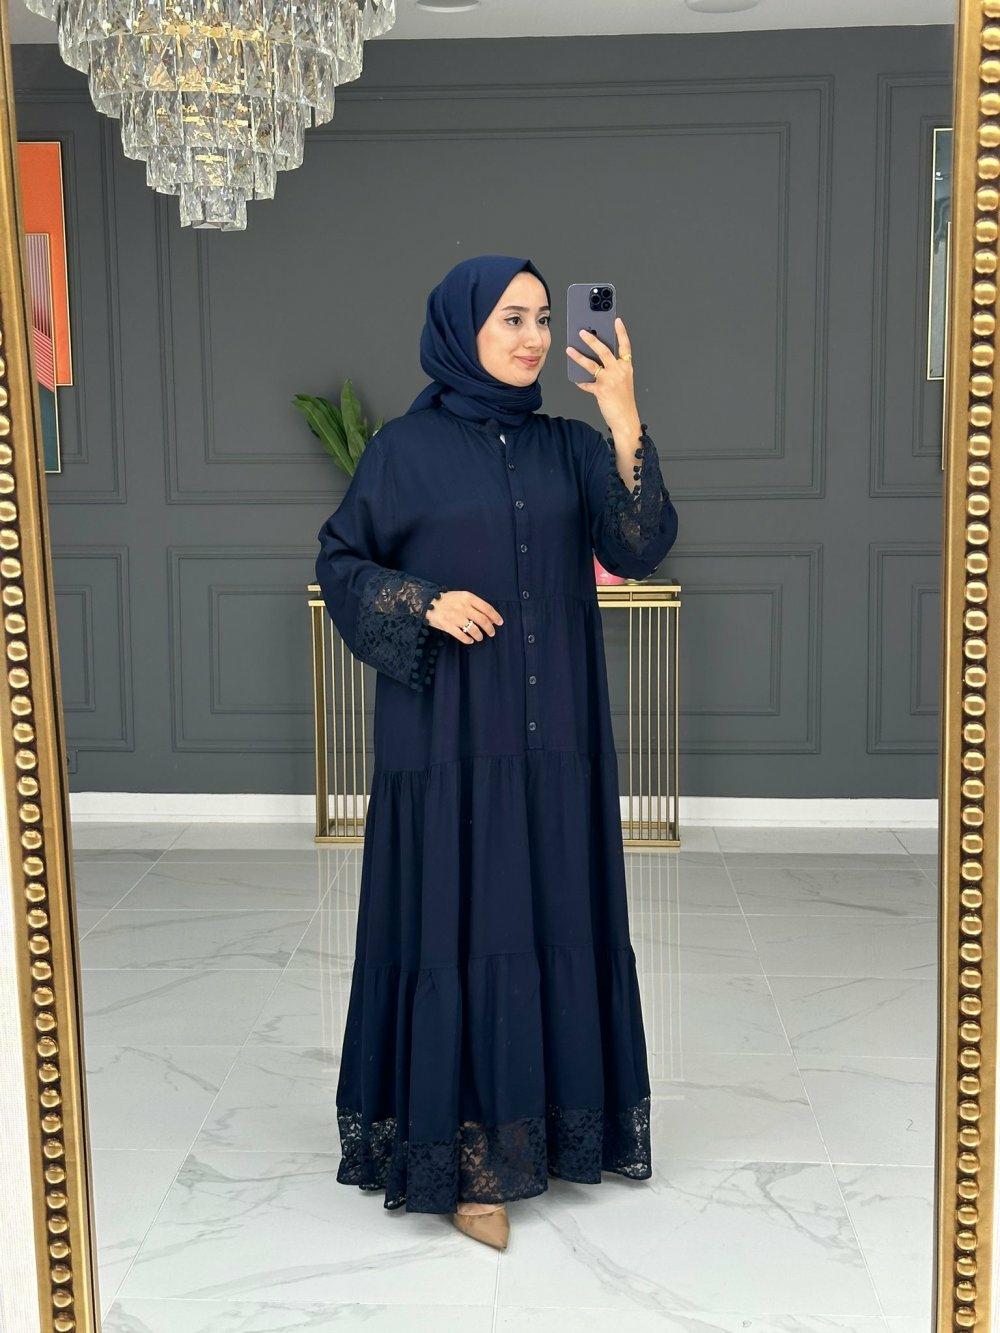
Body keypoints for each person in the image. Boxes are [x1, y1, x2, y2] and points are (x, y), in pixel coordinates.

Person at [314, 254, 678, 1251]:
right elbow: (342, 561)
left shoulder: (570, 446)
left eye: (540, 318)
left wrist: (622, 414)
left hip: (554, 734)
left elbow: (639, 544)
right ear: (460, 327)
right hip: (447, 740)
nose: (531, 337)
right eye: (510, 318)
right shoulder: (403, 450)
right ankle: (464, 1158)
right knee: (462, 921)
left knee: (549, 912)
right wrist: (422, 601)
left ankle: (549, 1126)